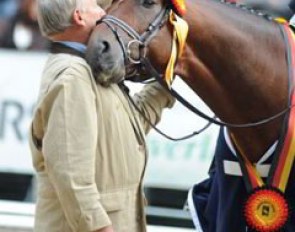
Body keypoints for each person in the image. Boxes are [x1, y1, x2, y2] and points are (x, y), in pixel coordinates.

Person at [29, 0, 175, 232]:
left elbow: (131, 128)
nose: (104, 13)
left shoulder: (85, 69)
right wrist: (99, 228)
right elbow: (71, 174)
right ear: (80, 17)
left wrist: (167, 78)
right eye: (96, 7)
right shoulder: (72, 77)